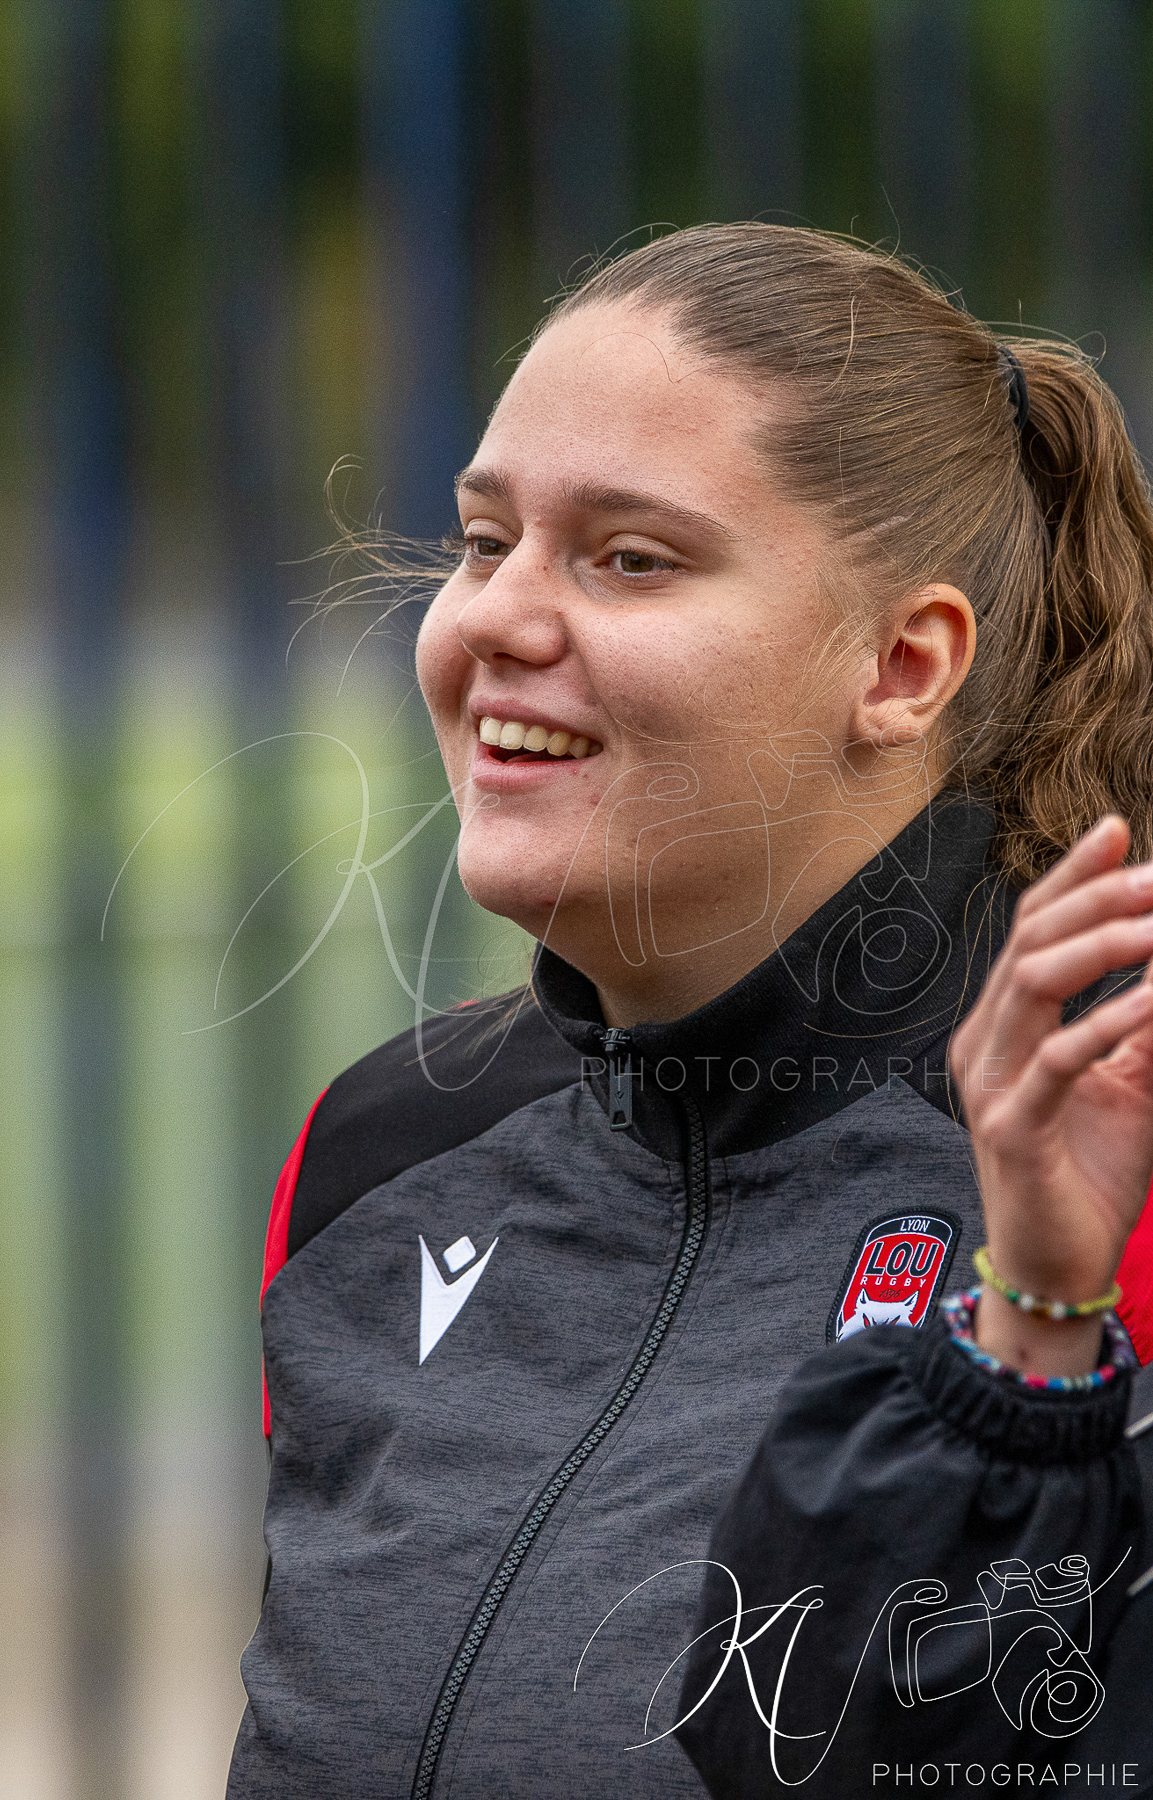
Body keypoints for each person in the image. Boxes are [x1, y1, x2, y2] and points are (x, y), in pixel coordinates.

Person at [226, 224, 1153, 1800]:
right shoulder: (383, 1153)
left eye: (628, 557)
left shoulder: (1106, 1141)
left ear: (904, 663)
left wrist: (1033, 1345)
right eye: (480, 540)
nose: (495, 622)